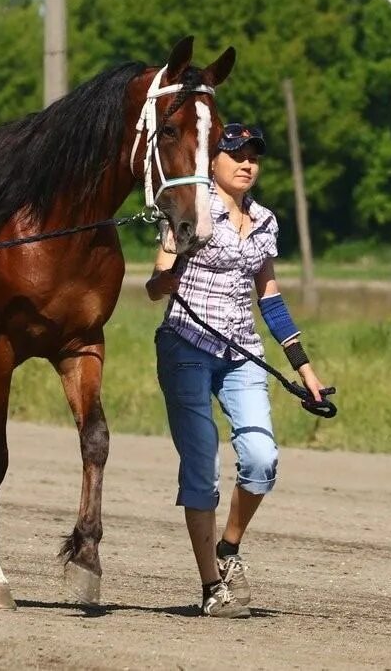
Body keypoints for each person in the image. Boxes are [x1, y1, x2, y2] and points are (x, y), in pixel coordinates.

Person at [146, 122, 328, 619]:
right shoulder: (188, 210)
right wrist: (171, 274)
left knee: (262, 458)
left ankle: (229, 549)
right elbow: (153, 286)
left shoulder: (265, 221)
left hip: (240, 354)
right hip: (185, 346)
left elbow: (269, 298)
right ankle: (211, 586)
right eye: (235, 154)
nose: (246, 163)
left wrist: (304, 368)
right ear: (212, 162)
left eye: (253, 156)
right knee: (202, 467)